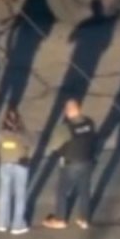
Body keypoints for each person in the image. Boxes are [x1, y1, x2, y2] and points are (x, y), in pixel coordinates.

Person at [43, 98, 98, 230]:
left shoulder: (65, 128)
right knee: (84, 190)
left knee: (62, 191)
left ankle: (60, 219)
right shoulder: (89, 123)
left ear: (67, 112)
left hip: (70, 164)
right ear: (79, 109)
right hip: (87, 161)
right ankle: (83, 219)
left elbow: (53, 146)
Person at [0, 108, 32, 234]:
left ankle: (2, 223)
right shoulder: (22, 135)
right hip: (20, 164)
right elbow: (29, 143)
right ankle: (17, 225)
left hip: (5, 164)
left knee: (4, 194)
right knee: (20, 195)